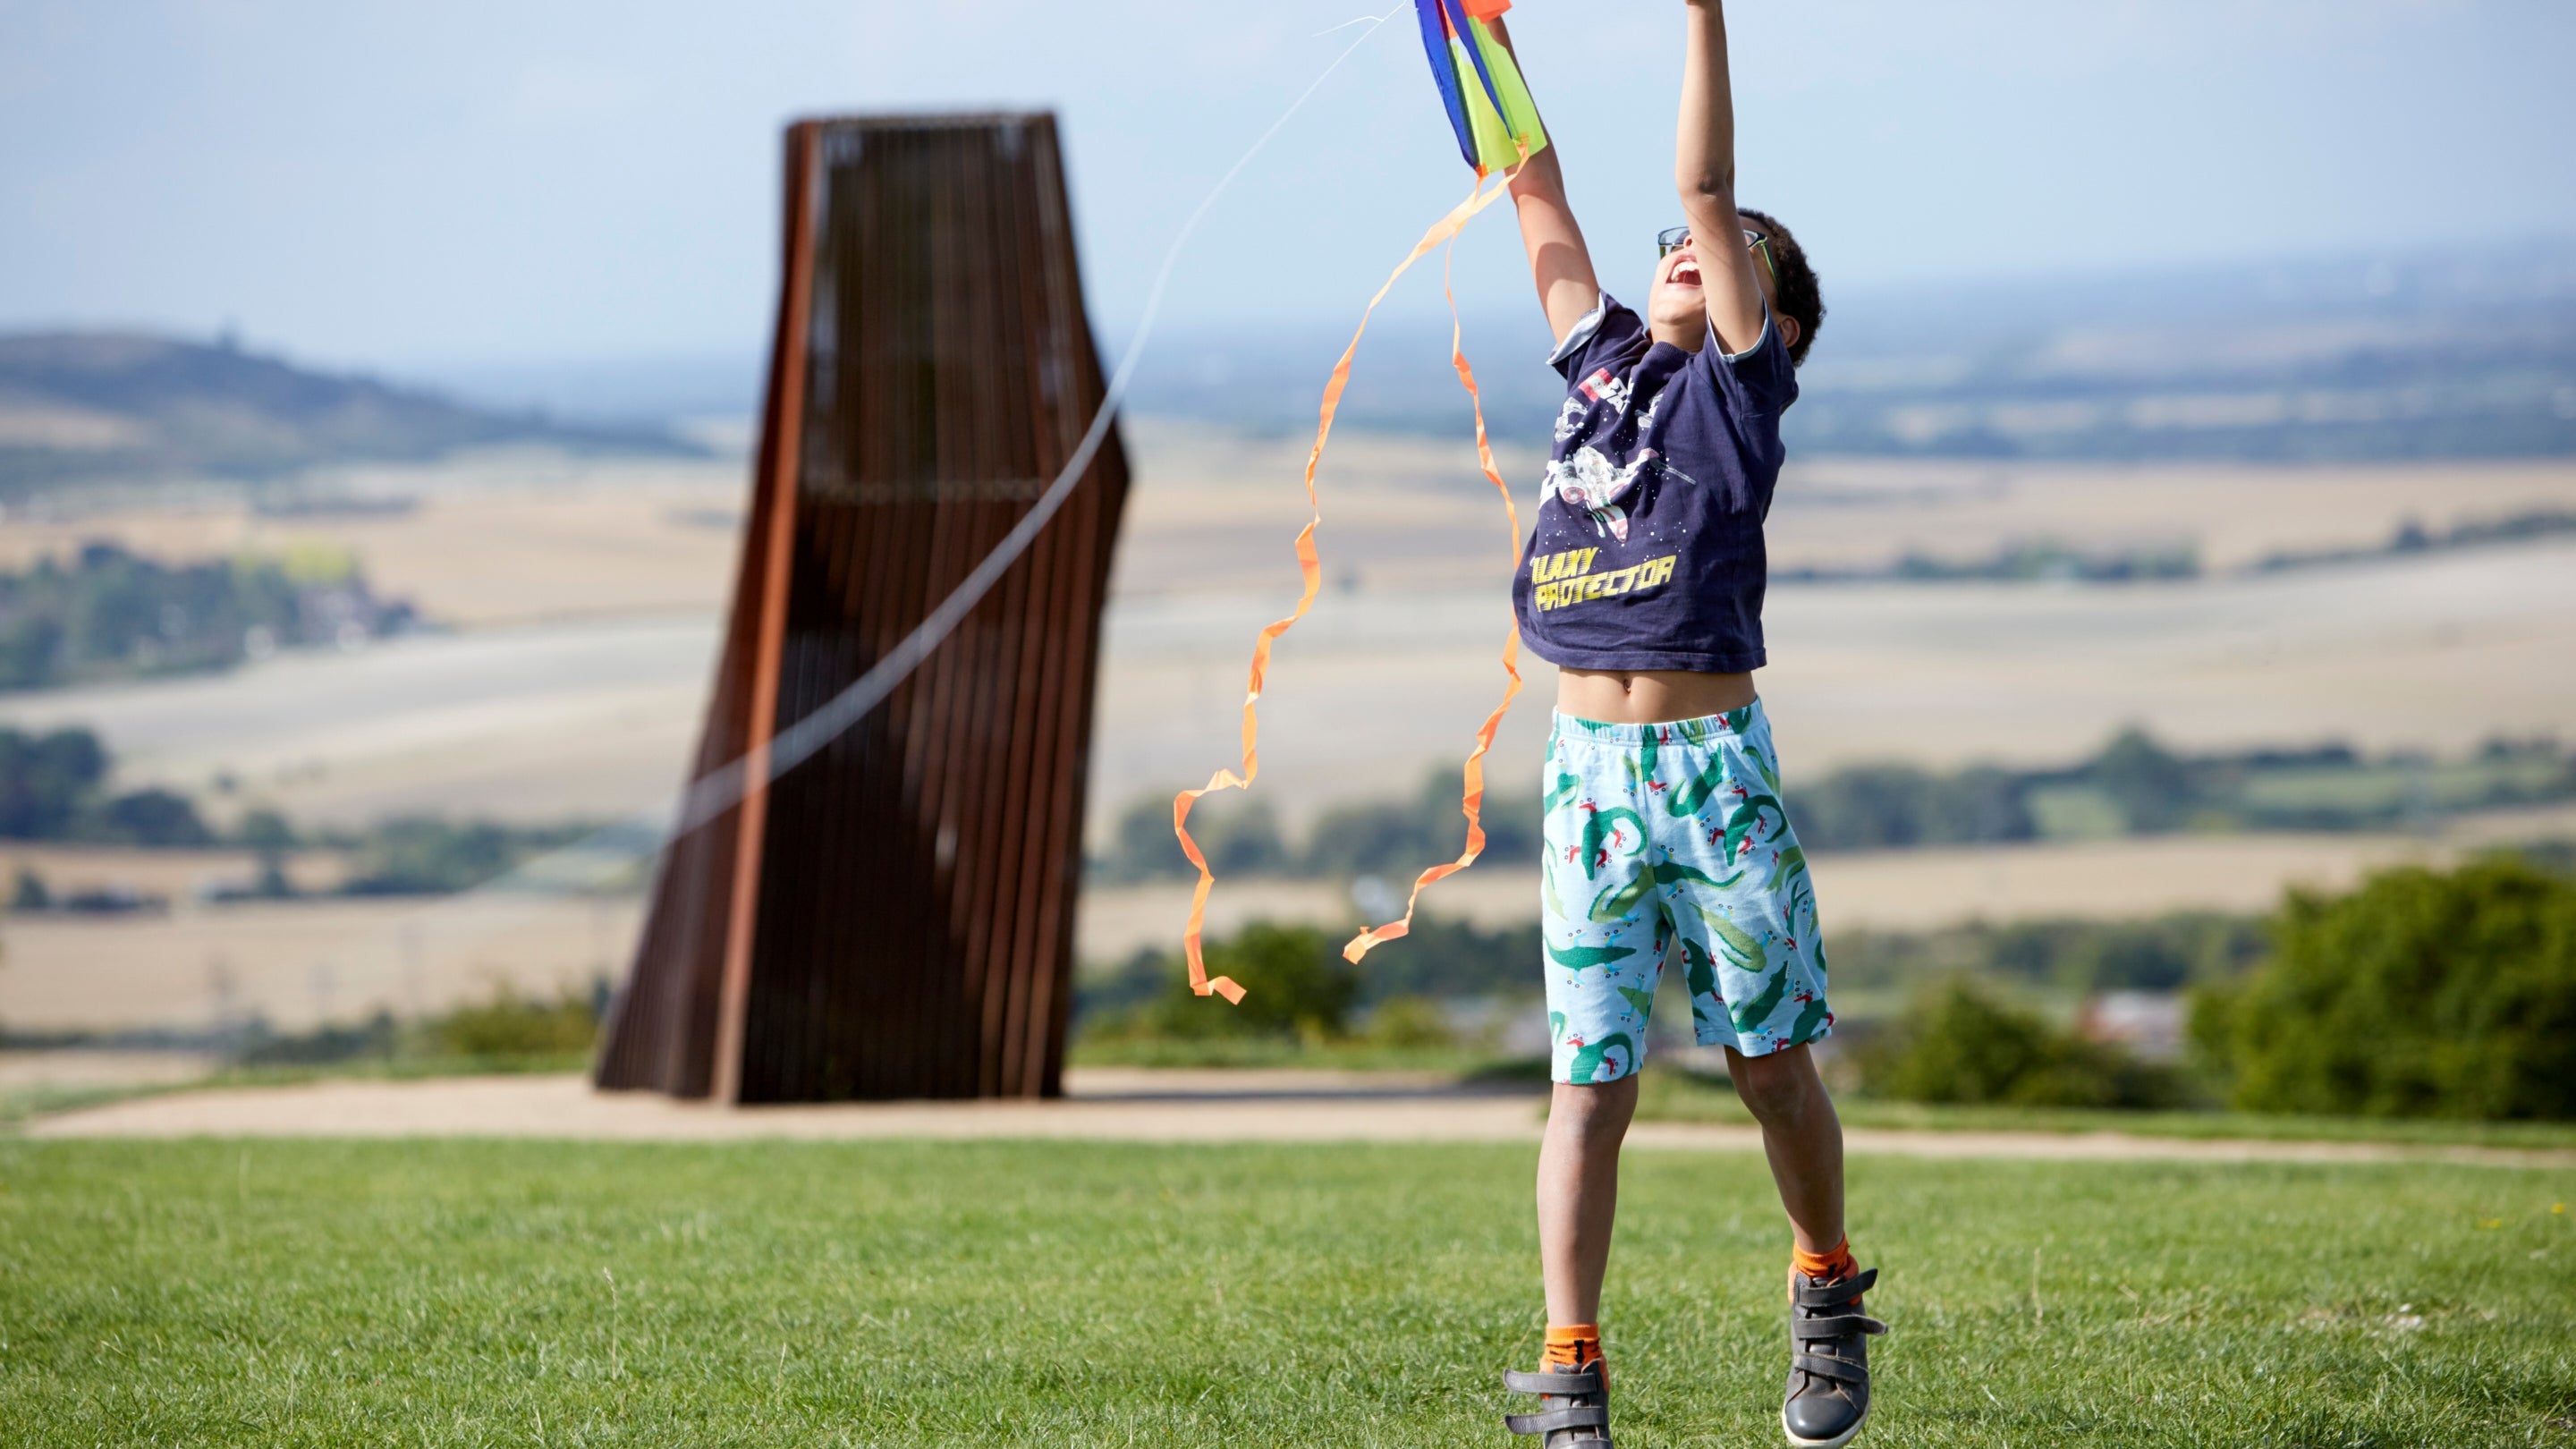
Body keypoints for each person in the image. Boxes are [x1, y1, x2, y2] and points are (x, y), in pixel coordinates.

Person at [1483, 4, 1884, 1446]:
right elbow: (1531, 185)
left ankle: (1826, 1285)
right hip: (1587, 775)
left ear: (1765, 315)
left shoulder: (1736, 393)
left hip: (1713, 775)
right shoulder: (1596, 367)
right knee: (1587, 1088)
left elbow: (1710, 193)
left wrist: (1703, 15)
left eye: (1717, 256)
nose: (1682, 243)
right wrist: (1470, 37)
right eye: (1667, 242)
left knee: (1769, 1069)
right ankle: (1571, 1368)